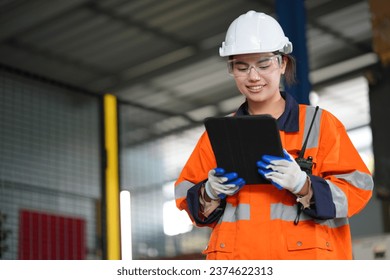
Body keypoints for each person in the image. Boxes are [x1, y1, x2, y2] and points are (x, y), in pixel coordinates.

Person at [174, 10, 373, 260]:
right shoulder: (218, 135)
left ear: (282, 64)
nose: (253, 77)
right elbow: (187, 199)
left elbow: (358, 190)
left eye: (264, 64)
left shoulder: (320, 125)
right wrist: (209, 192)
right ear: (232, 70)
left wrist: (305, 186)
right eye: (241, 67)